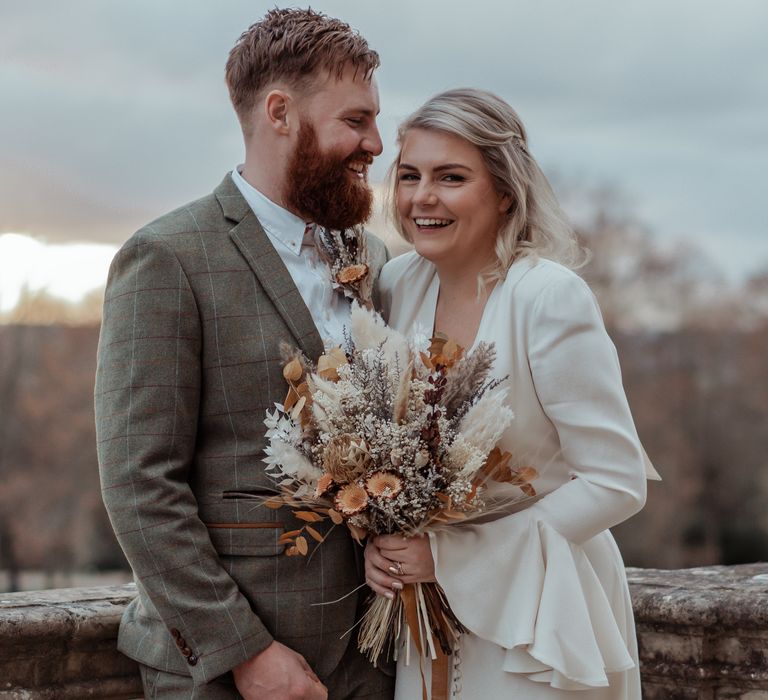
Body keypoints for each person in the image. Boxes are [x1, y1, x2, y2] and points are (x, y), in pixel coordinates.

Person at [95, 9, 394, 700]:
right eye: (356, 120)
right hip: (228, 673)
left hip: (370, 661)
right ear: (281, 113)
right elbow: (140, 484)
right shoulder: (167, 256)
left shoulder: (370, 256)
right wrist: (245, 651)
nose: (376, 142)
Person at [365, 88, 660, 699]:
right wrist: (384, 545)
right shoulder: (397, 284)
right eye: (410, 175)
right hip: (424, 617)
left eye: (451, 177)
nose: (423, 197)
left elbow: (615, 481)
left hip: (540, 613)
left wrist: (453, 556)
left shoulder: (548, 298)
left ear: (504, 191)